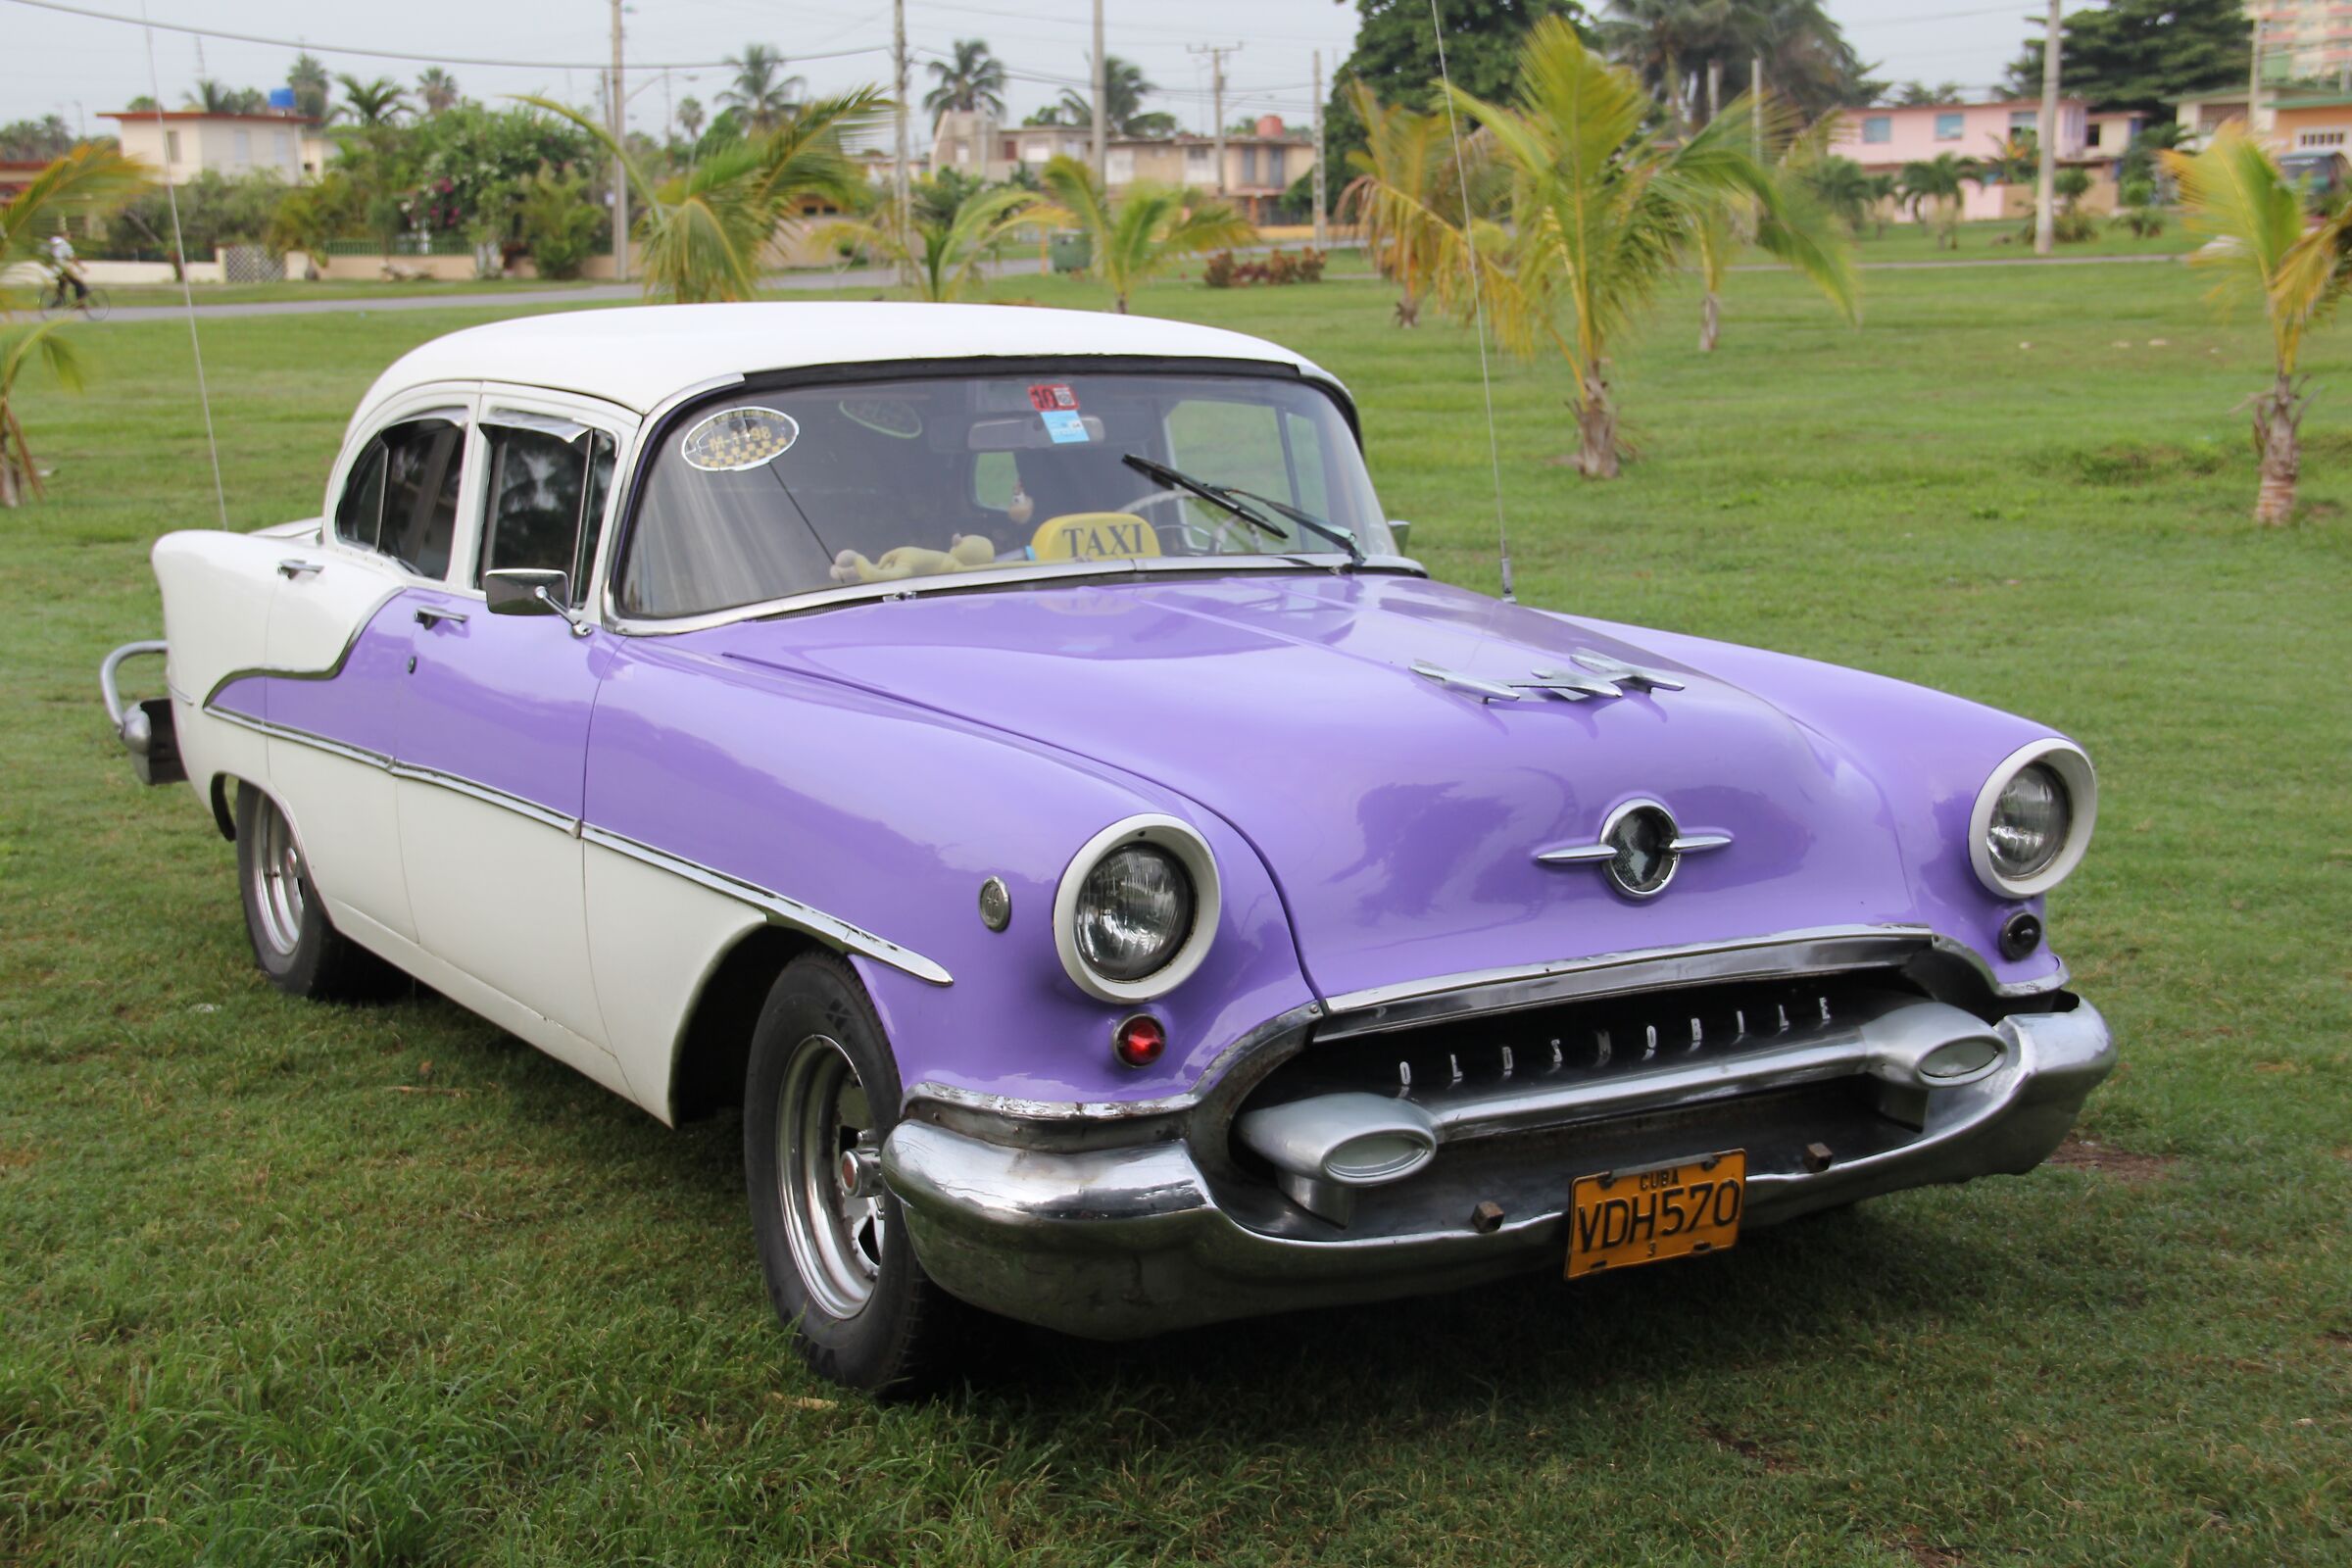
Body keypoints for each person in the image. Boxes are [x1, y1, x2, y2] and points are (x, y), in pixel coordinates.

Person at [45, 233, 87, 308]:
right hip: (61, 269)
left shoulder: (53, 242)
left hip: (53, 269)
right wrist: (81, 268)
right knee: (79, 284)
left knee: (62, 285)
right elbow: (73, 258)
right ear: (67, 237)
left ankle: (57, 302)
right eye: (70, 237)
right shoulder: (66, 246)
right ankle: (79, 304)